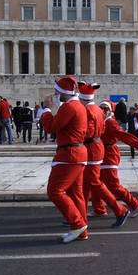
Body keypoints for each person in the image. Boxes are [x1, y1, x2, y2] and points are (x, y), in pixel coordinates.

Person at [41, 77, 89, 244]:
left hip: (69, 154)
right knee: (76, 194)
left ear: (63, 93)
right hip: (77, 153)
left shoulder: (69, 107)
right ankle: (81, 230)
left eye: (57, 92)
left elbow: (51, 127)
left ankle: (78, 224)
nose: (55, 94)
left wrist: (46, 110)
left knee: (55, 190)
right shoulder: (78, 106)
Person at [78, 82, 131, 227]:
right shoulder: (95, 109)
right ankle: (80, 215)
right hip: (94, 149)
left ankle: (120, 209)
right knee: (86, 183)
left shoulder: (90, 111)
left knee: (96, 183)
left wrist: (75, 135)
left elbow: (89, 131)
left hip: (93, 149)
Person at [92, 100, 138, 217]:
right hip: (98, 154)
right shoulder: (98, 121)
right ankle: (99, 209)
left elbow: (122, 134)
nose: (103, 110)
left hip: (109, 154)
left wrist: (136, 143)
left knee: (113, 185)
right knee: (95, 183)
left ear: (111, 111)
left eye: (106, 109)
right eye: (101, 108)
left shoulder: (110, 122)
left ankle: (135, 203)